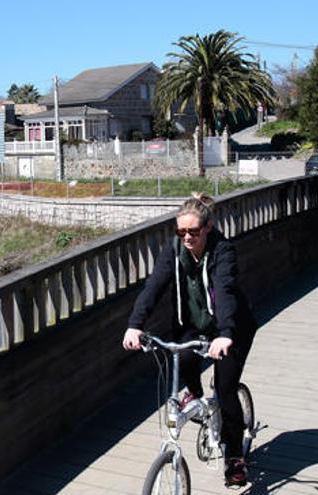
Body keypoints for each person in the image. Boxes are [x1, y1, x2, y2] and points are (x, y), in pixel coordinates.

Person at [122, 192, 257, 487]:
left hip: (232, 328)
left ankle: (235, 458)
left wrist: (225, 335)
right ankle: (195, 395)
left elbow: (224, 291)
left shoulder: (223, 250)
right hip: (194, 326)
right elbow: (154, 286)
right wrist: (135, 325)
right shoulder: (173, 250)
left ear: (207, 227)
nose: (186, 237)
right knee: (182, 359)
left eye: (192, 232)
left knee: (225, 389)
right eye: (180, 231)